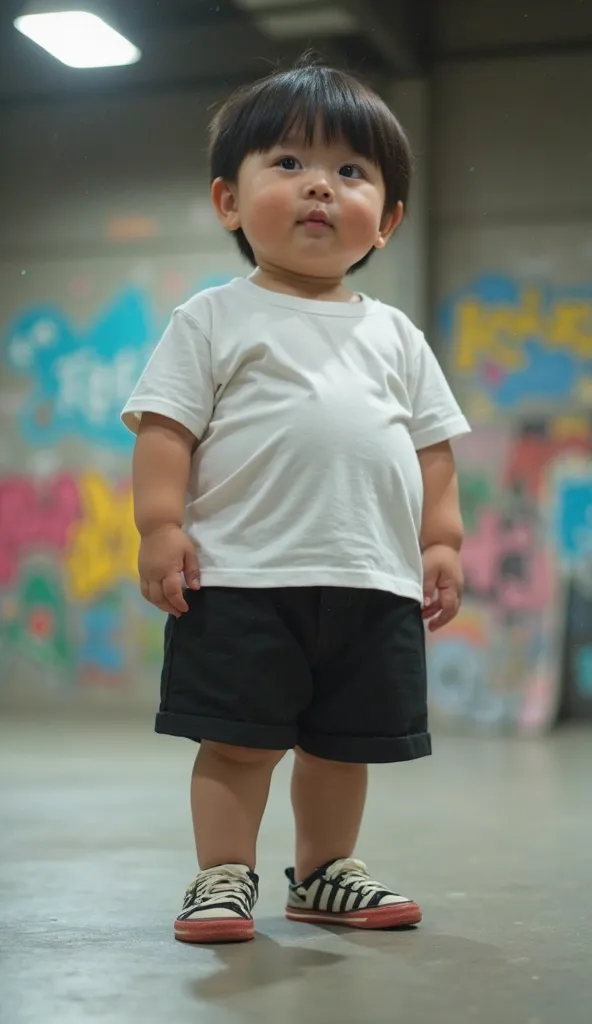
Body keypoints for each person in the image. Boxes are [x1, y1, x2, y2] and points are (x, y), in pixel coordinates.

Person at [121, 56, 470, 945]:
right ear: (228, 201)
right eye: (287, 164)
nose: (320, 185)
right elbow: (166, 431)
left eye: (351, 172)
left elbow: (432, 450)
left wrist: (442, 543)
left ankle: (322, 875)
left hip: (371, 579)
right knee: (237, 741)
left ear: (386, 221)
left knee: (346, 745)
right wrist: (161, 527)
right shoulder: (212, 318)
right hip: (240, 577)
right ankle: (222, 876)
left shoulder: (396, 334)